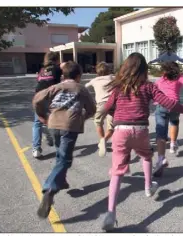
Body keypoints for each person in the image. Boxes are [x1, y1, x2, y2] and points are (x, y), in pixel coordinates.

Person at [100, 52, 183, 231]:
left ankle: (111, 212)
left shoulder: (118, 88)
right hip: (140, 130)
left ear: (125, 68)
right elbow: (168, 103)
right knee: (147, 156)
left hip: (120, 131)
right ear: (144, 69)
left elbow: (107, 108)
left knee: (117, 172)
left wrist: (114, 116)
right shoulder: (148, 87)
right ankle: (149, 187)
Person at [33, 61, 96, 219]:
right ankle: (50, 189)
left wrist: (42, 116)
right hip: (70, 127)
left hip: (53, 124)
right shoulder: (81, 89)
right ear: (78, 76)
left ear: (63, 76)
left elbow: (37, 99)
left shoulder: (56, 87)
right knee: (65, 160)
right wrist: (82, 117)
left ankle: (62, 180)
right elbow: (92, 109)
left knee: (60, 155)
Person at [32, 52, 62, 158]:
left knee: (37, 123)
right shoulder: (57, 69)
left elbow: (39, 82)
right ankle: (57, 143)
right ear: (56, 59)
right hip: (49, 97)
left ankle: (36, 149)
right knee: (55, 120)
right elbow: (58, 85)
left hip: (38, 97)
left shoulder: (41, 70)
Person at [85, 62, 115, 157]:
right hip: (113, 103)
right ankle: (104, 141)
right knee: (111, 126)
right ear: (108, 70)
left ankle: (102, 140)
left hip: (101, 104)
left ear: (97, 71)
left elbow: (85, 87)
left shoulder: (95, 80)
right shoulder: (113, 78)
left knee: (98, 122)